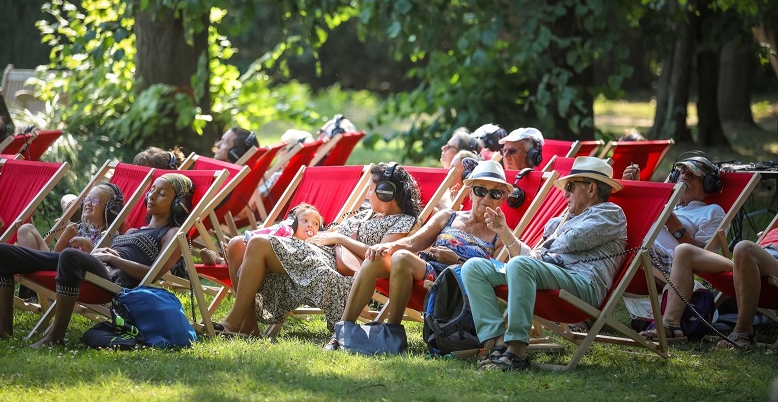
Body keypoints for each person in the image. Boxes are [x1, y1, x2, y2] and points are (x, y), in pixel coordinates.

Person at [0, 173, 194, 347]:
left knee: (70, 255)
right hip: (96, 264)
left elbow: (153, 274)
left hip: (114, 280)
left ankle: (55, 337)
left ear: (178, 204)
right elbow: (100, 255)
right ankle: (3, 330)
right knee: (1, 252)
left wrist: (112, 258)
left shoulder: (172, 233)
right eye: (153, 190)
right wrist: (97, 252)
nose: (152, 196)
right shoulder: (133, 230)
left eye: (162, 194)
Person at [461, 156, 627, 371]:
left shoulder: (611, 214)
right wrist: (504, 231)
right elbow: (531, 257)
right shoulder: (562, 220)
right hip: (549, 276)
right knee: (474, 267)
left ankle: (517, 349)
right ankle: (497, 343)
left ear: (592, 188)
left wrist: (558, 227)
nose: (564, 193)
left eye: (570, 186)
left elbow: (572, 241)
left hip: (582, 285)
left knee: (520, 265)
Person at [219, 162, 422, 337]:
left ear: (385, 192)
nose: (368, 194)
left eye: (371, 189)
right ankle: (248, 326)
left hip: (333, 264)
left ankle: (233, 322)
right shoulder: (367, 213)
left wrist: (339, 237)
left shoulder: (403, 221)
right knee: (237, 244)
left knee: (256, 244)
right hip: (318, 250)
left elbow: (380, 255)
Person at [330, 160, 508, 350]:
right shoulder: (449, 216)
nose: (486, 198)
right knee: (375, 258)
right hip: (428, 269)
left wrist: (458, 261)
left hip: (458, 284)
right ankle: (341, 332)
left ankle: (392, 329)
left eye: (495, 193)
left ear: (503, 198)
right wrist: (387, 248)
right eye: (480, 190)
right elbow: (413, 242)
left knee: (401, 258)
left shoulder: (501, 234)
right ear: (470, 192)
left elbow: (494, 276)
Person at [640, 226, 778, 347]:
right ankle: (670, 325)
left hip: (768, 261)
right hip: (751, 260)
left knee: (744, 247)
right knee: (684, 251)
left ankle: (743, 332)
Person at [623, 155, 724, 275]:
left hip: (666, 264)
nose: (685, 176)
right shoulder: (668, 203)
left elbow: (707, 259)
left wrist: (676, 228)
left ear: (708, 184)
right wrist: (632, 190)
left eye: (693, 174)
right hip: (634, 250)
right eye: (682, 172)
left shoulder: (712, 212)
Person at [199, 203, 324, 289]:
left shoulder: (314, 244)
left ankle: (220, 259)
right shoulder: (287, 232)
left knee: (238, 258)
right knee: (239, 248)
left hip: (274, 265)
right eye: (305, 220)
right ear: (294, 223)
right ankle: (221, 259)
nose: (310, 225)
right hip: (257, 255)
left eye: (316, 223)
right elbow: (271, 240)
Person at [15, 182, 124, 254]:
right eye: (87, 199)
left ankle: (27, 278)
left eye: (95, 201)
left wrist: (87, 244)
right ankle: (28, 279)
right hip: (58, 263)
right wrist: (64, 238)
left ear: (110, 209)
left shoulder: (111, 236)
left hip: (74, 273)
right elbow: (58, 253)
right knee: (26, 229)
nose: (88, 203)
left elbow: (102, 267)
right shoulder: (81, 227)